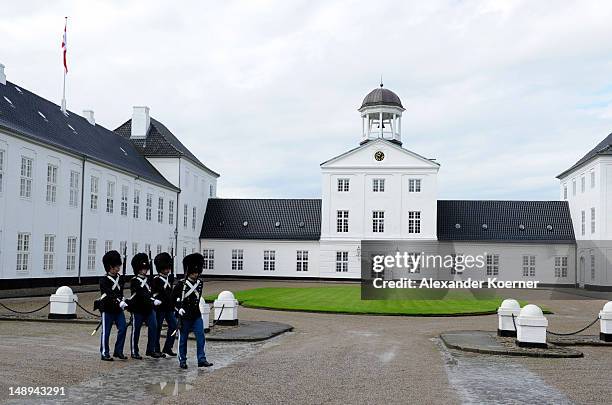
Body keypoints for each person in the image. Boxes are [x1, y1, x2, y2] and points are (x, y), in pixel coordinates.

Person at [173, 253, 213, 369]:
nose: (196, 274)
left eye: (197, 272)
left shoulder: (200, 283)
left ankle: (202, 359)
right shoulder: (181, 284)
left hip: (196, 315)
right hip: (184, 316)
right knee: (183, 339)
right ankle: (182, 360)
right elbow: (172, 300)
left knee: (201, 337)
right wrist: (178, 308)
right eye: (194, 272)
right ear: (189, 271)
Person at [129, 253, 162, 359]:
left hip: (148, 309)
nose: (145, 270)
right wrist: (152, 300)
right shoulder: (134, 281)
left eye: (146, 268)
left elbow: (152, 291)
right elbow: (141, 293)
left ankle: (150, 350)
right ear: (138, 269)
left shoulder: (149, 280)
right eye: (143, 268)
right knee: (136, 330)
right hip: (138, 308)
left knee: (154, 327)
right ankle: (134, 351)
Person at [98, 250, 128, 361]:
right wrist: (118, 300)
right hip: (107, 308)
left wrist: (123, 299)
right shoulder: (103, 280)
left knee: (123, 328)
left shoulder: (120, 278)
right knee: (106, 332)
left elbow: (120, 292)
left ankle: (118, 351)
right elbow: (109, 294)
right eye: (117, 266)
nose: (118, 268)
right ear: (110, 266)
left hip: (118, 309)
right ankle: (104, 352)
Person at [152, 252, 177, 357]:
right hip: (160, 308)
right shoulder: (156, 280)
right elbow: (154, 293)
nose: (167, 270)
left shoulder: (170, 278)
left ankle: (168, 347)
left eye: (168, 267)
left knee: (174, 326)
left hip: (169, 307)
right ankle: (156, 348)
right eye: (165, 268)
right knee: (158, 328)